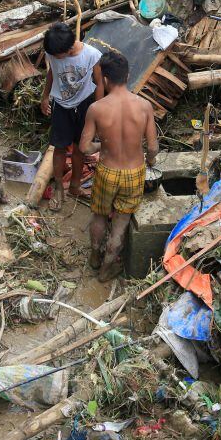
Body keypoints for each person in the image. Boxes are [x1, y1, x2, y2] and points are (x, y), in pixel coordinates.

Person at [79, 51, 158, 282]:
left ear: (104, 80)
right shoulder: (144, 106)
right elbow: (152, 148)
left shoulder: (97, 109)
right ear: (128, 75)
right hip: (134, 173)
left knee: (99, 216)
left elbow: (84, 147)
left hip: (107, 171)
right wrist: (150, 162)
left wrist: (101, 146)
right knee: (121, 224)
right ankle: (106, 269)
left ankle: (94, 257)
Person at [41, 22, 104, 210]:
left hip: (85, 105)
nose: (53, 57)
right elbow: (51, 74)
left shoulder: (91, 54)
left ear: (68, 50)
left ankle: (75, 186)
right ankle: (59, 187)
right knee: (59, 148)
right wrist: (45, 97)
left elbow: (99, 83)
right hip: (61, 105)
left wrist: (98, 110)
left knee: (80, 148)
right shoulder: (53, 52)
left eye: (56, 55)